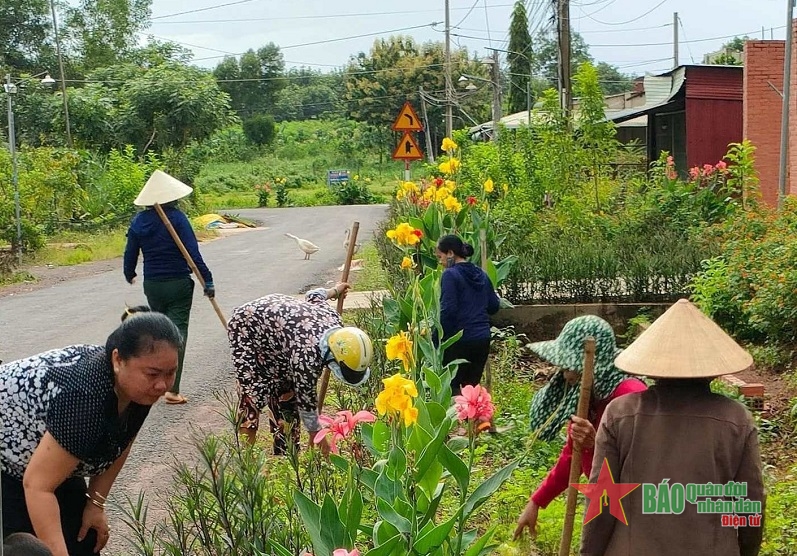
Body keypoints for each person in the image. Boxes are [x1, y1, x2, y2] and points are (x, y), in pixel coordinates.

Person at [580, 299, 764, 556]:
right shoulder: (737, 420)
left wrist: (589, 552)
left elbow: (603, 499)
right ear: (712, 369)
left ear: (654, 366)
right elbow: (750, 501)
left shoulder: (620, 414)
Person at [0, 307, 182, 556]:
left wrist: (95, 504)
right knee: (30, 550)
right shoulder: (85, 398)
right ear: (118, 360)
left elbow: (121, 442)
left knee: (85, 539)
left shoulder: (137, 388)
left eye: (170, 373)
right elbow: (38, 486)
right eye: (152, 374)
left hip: (52, 452)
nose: (162, 385)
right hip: (10, 463)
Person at [514, 315, 647, 541]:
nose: (566, 375)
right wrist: (536, 502)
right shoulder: (585, 395)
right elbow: (571, 453)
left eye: (571, 367)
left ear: (594, 363)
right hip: (605, 495)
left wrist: (596, 444)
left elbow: (641, 464)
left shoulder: (630, 397)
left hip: (637, 504)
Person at [228, 283, 373, 455]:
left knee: (287, 392)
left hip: (280, 335)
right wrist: (321, 442)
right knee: (253, 393)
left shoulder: (334, 321)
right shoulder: (306, 358)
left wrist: (335, 291)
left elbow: (314, 295)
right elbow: (307, 405)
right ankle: (247, 463)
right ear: (334, 358)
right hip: (247, 325)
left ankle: (285, 455)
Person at [123, 170, 215, 405]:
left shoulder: (139, 221)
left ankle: (152, 384)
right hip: (177, 284)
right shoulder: (177, 219)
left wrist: (129, 272)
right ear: (171, 197)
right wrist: (208, 280)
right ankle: (172, 390)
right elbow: (192, 254)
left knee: (158, 332)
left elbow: (130, 251)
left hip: (152, 284)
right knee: (176, 333)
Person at [435, 234, 500, 395]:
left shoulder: (450, 275)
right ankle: (473, 420)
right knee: (471, 392)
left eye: (440, 256)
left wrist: (435, 339)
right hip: (482, 340)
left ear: (450, 253)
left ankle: (458, 421)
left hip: (460, 341)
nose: (440, 262)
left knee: (454, 390)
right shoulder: (481, 274)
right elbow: (494, 306)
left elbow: (448, 311)